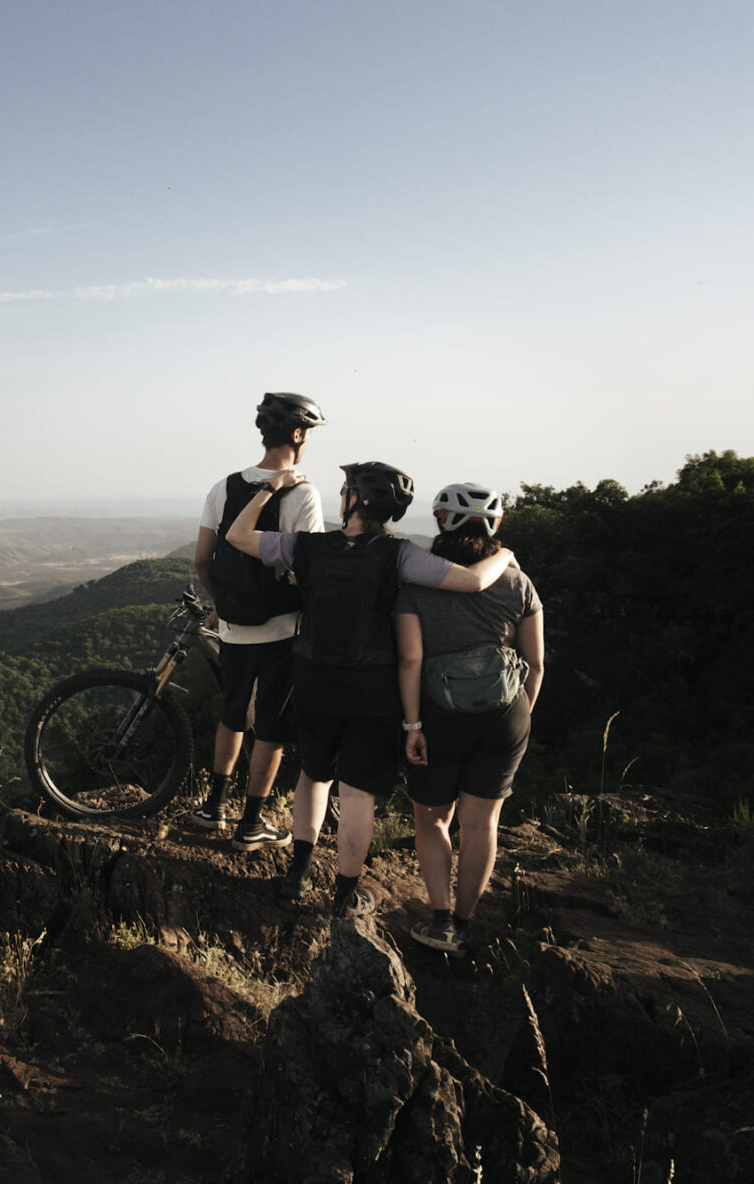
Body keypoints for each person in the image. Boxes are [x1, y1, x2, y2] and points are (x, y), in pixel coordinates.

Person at [223, 462, 518, 916]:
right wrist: (506, 554)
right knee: (357, 791)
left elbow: (237, 536)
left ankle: (297, 876)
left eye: (345, 491)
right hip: (374, 689)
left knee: (313, 775)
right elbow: (474, 580)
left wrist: (271, 487)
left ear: (355, 500)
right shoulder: (400, 554)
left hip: (314, 680)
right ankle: (345, 895)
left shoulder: (308, 546)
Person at [396, 483, 544, 952]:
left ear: (441, 521)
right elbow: (536, 663)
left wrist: (413, 726)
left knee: (433, 819)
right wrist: (520, 717)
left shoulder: (416, 586)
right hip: (506, 714)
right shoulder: (519, 583)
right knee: (482, 824)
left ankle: (440, 922)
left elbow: (410, 661)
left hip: (438, 715)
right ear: (495, 525)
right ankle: (464, 923)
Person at [189, 392, 329, 851]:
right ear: (297, 434)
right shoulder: (303, 493)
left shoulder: (223, 487)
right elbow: (307, 567)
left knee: (232, 713)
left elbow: (202, 560)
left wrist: (224, 603)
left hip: (233, 627)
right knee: (272, 725)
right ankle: (251, 823)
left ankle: (213, 808)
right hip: (282, 627)